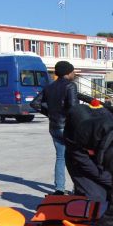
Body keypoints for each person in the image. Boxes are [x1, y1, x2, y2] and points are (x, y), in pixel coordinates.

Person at [30, 60, 78, 195]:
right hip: (68, 127)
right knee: (75, 158)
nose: (74, 74)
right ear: (68, 73)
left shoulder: (49, 87)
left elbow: (35, 104)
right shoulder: (71, 86)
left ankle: (59, 189)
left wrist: (50, 113)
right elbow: (74, 108)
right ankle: (78, 188)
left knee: (60, 157)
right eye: (73, 71)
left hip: (54, 126)